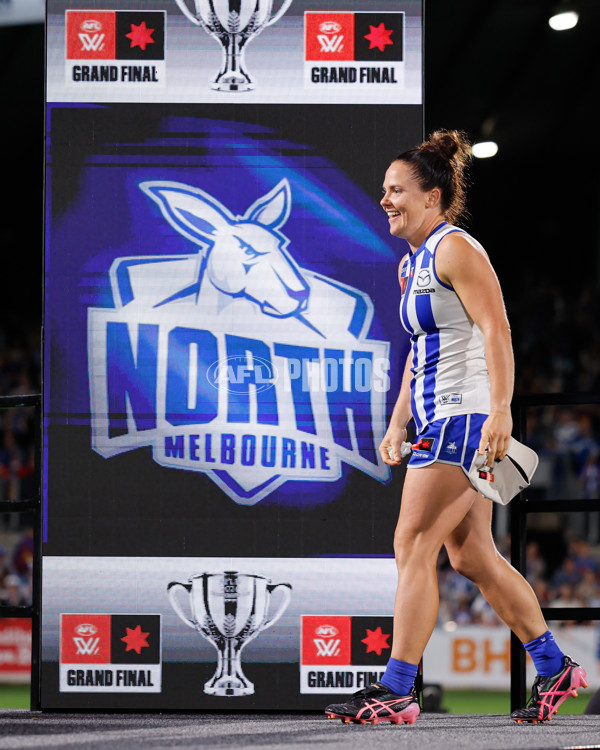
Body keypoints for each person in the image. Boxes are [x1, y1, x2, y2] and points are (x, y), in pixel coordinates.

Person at [324, 130, 587, 726]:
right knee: (472, 557)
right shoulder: (410, 265)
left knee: (411, 544)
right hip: (437, 418)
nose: (385, 200)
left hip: (464, 417)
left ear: (432, 197)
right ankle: (554, 668)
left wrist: (501, 410)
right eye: (384, 190)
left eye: (397, 191)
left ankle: (398, 689)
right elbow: (419, 351)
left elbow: (498, 331)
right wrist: (397, 423)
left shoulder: (456, 249)